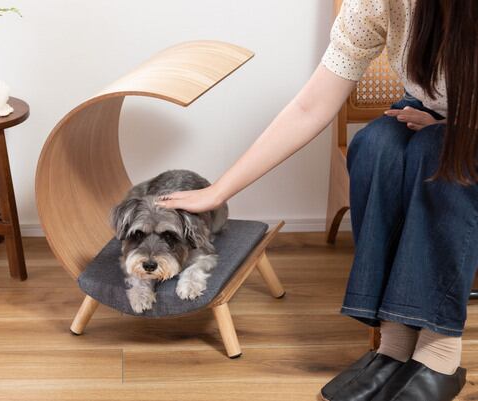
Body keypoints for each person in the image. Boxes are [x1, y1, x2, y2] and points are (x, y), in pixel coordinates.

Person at [156, 0, 478, 400]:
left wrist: (458, 127)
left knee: (437, 152)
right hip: (431, 113)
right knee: (376, 146)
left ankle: (439, 354)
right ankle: (394, 347)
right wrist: (218, 190)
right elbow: (310, 106)